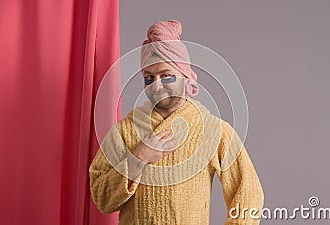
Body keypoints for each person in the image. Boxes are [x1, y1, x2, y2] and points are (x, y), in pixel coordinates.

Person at [89, 19, 264, 225]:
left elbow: (249, 194)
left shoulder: (214, 131)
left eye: (167, 76)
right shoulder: (123, 132)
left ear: (186, 78)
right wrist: (139, 158)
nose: (157, 86)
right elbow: (102, 200)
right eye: (149, 78)